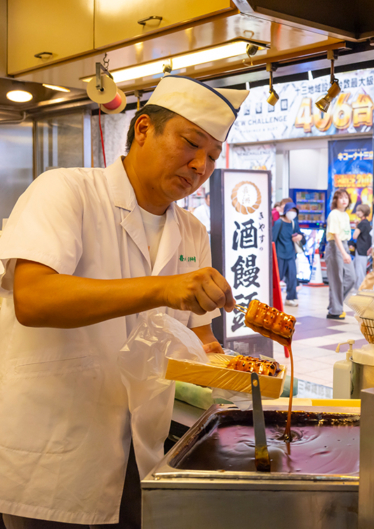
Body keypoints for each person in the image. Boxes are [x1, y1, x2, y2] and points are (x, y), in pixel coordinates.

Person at [0, 75, 247, 528]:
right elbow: (32, 300)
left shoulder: (192, 231)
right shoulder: (67, 191)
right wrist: (163, 288)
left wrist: (237, 372)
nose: (199, 165)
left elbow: (200, 340)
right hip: (52, 453)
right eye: (191, 144)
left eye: (212, 156)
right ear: (143, 129)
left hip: (143, 450)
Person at [325, 188, 355, 319]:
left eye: (346, 198)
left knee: (351, 278)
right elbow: (335, 235)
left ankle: (334, 303)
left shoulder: (346, 215)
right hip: (335, 247)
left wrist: (346, 250)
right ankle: (335, 311)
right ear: (336, 200)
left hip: (344, 246)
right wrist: (344, 253)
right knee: (337, 279)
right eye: (341, 198)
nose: (344, 200)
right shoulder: (334, 214)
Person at [272, 201, 303, 307]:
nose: (292, 213)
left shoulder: (294, 223)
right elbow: (273, 239)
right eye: (290, 210)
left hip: (291, 254)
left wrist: (299, 237)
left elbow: (299, 233)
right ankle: (272, 297)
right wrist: (272, 255)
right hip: (279, 255)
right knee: (277, 277)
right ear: (285, 211)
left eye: (294, 211)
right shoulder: (278, 223)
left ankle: (291, 298)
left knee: (292, 277)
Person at [352, 204, 372, 290]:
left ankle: (359, 290)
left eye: (359, 211)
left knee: (359, 272)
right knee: (360, 270)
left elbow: (354, 236)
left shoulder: (361, 224)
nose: (357, 212)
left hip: (360, 250)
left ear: (364, 212)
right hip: (366, 249)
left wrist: (356, 227)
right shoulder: (367, 223)